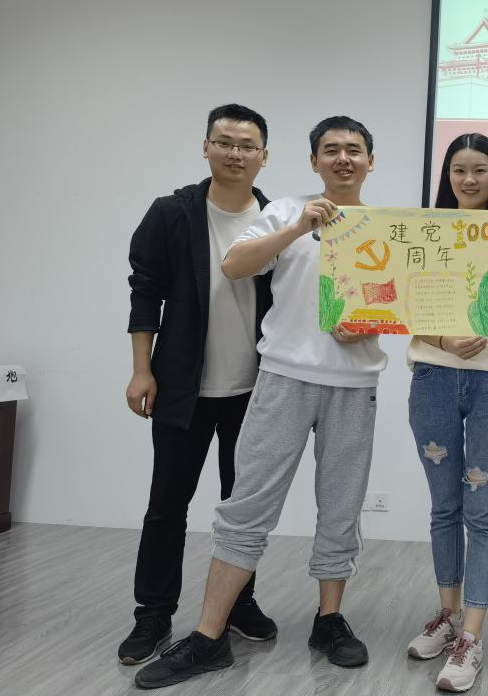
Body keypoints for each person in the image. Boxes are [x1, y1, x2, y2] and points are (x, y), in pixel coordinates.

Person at [135, 116, 386, 689]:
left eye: (354, 150)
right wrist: (299, 226)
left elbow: (394, 306)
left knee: (341, 507)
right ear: (313, 161)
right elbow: (235, 265)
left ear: (371, 162)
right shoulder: (286, 212)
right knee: (246, 505)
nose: (343, 158)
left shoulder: (388, 229)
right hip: (283, 378)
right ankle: (208, 636)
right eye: (330, 150)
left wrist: (367, 327)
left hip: (355, 384)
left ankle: (329, 620)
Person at [120, 103, 276, 665]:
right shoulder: (172, 213)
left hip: (254, 391)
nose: (235, 153)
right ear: (206, 147)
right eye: (225, 142)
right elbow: (145, 291)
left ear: (264, 155)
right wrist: (142, 369)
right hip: (181, 386)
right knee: (167, 504)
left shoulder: (277, 216)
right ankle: (153, 614)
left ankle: (238, 604)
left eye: (247, 145)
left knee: (243, 510)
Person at [404, 133, 488, 692]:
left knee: (481, 511)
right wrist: (443, 338)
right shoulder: (425, 232)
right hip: (433, 378)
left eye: (479, 169)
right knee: (445, 506)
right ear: (448, 177)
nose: (468, 179)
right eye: (458, 169)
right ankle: (447, 615)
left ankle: (472, 636)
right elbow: (400, 305)